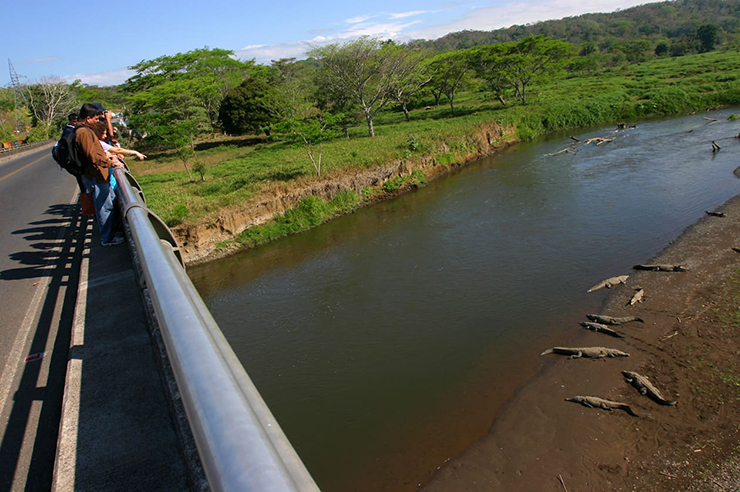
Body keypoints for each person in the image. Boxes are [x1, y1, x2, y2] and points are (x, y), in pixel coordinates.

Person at [75, 103, 126, 246]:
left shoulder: (84, 131)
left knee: (109, 202)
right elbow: (93, 156)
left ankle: (111, 233)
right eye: (97, 119)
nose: (99, 121)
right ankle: (107, 238)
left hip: (98, 175)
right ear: (88, 118)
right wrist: (111, 163)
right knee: (104, 205)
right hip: (96, 175)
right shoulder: (83, 133)